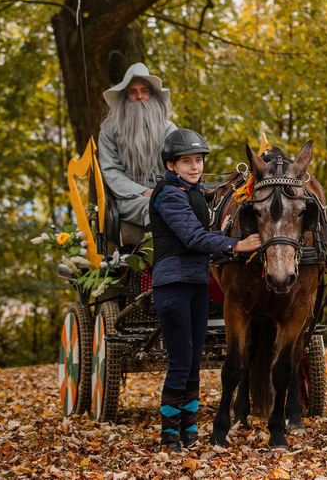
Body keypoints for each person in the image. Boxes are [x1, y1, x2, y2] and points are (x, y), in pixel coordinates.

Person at [149, 129, 261, 452]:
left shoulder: (194, 191)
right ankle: (170, 434)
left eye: (198, 160)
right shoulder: (169, 195)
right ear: (171, 165)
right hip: (172, 285)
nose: (195, 167)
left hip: (196, 284)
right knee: (181, 363)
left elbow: (218, 201)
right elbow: (194, 238)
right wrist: (236, 245)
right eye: (187, 161)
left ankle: (189, 430)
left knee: (194, 362)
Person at [98, 63, 178, 229]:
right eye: (132, 92)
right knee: (153, 207)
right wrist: (144, 192)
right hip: (129, 198)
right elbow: (111, 170)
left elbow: (181, 165)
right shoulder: (110, 130)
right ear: (125, 98)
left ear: (152, 95)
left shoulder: (169, 129)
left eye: (144, 91)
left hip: (167, 193)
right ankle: (156, 254)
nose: (139, 96)